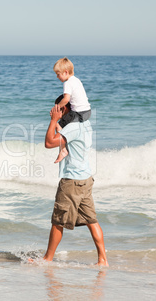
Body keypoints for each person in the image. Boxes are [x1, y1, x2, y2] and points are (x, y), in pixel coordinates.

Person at [42, 95, 108, 266]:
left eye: (59, 108)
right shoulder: (85, 124)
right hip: (85, 179)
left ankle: (47, 259)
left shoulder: (72, 128)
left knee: (58, 222)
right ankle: (102, 260)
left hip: (71, 181)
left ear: (66, 109)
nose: (57, 111)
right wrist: (60, 119)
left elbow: (49, 142)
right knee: (91, 220)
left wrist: (53, 120)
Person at [52, 57, 91, 163]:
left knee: (57, 124)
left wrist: (56, 108)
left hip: (78, 113)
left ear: (65, 72)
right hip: (87, 111)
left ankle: (63, 150)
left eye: (58, 74)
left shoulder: (67, 83)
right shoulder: (76, 80)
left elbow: (66, 99)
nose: (57, 76)